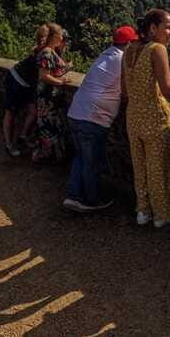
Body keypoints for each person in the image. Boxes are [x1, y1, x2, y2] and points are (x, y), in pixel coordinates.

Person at [63, 25, 139, 213]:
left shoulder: (106, 55)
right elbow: (129, 89)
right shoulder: (122, 59)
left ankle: (73, 195)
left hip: (76, 112)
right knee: (92, 162)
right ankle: (90, 201)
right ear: (129, 44)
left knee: (81, 157)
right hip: (93, 117)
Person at [122, 9, 170, 228]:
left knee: (139, 166)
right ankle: (161, 214)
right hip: (154, 118)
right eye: (167, 27)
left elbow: (124, 90)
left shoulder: (129, 49)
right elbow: (167, 88)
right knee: (159, 168)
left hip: (133, 116)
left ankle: (143, 211)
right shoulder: (157, 49)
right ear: (152, 28)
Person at [2, 24, 48, 157]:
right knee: (11, 113)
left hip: (28, 85)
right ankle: (9, 145)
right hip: (15, 80)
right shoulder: (42, 50)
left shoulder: (45, 49)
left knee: (33, 112)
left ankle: (22, 137)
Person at [33, 23, 71, 164]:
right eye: (60, 35)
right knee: (47, 127)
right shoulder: (47, 52)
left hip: (50, 97)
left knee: (51, 127)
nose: (62, 37)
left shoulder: (51, 51)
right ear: (54, 36)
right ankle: (44, 156)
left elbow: (55, 70)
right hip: (47, 98)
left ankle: (51, 156)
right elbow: (44, 76)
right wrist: (61, 81)